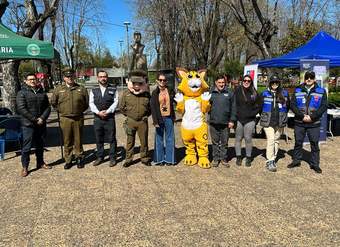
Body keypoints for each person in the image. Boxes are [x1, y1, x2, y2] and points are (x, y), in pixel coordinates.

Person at [288, 71, 327, 173]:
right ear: (304, 79)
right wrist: (302, 116)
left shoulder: (321, 91)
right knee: (298, 142)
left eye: (311, 77)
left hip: (314, 123)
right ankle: (296, 160)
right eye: (307, 77)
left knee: (314, 144)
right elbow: (292, 105)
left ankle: (315, 164)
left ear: (314, 79)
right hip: (299, 122)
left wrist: (312, 117)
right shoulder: (297, 90)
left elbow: (323, 106)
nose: (309, 79)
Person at [50, 68, 89, 169]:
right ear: (64, 78)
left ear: (74, 77)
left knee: (78, 139)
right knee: (67, 140)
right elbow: (53, 103)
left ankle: (79, 157)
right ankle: (68, 160)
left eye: (71, 76)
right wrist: (62, 111)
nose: (70, 78)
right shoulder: (58, 89)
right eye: (67, 76)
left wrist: (78, 111)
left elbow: (86, 103)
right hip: (65, 118)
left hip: (78, 117)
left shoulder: (81, 88)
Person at [16, 73, 51, 177]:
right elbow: (22, 109)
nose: (32, 81)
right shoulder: (21, 93)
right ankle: (25, 167)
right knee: (26, 147)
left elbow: (47, 107)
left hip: (41, 124)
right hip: (28, 125)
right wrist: (35, 119)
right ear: (26, 81)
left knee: (40, 145)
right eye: (30, 79)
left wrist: (42, 118)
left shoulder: (42, 92)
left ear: (37, 80)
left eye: (34, 79)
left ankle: (40, 162)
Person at [119, 70, 151, 167]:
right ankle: (128, 159)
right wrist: (129, 116)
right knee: (130, 141)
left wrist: (145, 116)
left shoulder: (146, 94)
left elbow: (150, 108)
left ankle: (144, 158)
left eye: (140, 83)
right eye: (134, 83)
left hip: (142, 121)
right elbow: (121, 107)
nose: (137, 86)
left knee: (144, 141)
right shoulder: (126, 94)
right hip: (130, 121)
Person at [259, 75, 290, 172]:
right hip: (268, 122)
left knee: (276, 140)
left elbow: (287, 106)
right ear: (270, 83)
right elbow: (260, 107)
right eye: (273, 82)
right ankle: (270, 161)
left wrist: (283, 116)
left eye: (276, 82)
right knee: (271, 140)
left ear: (279, 83)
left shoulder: (284, 93)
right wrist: (264, 115)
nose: (274, 84)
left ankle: (274, 157)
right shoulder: (264, 93)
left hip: (279, 121)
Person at [89, 70, 119, 167]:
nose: (103, 78)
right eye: (101, 76)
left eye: (104, 76)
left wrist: (108, 111)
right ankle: (100, 157)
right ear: (98, 78)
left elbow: (116, 101)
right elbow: (91, 103)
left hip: (109, 118)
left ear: (107, 77)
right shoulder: (93, 90)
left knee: (111, 138)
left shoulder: (113, 89)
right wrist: (98, 112)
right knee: (99, 138)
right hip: (98, 118)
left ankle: (112, 157)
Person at [209, 73, 236, 167]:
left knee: (224, 142)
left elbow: (234, 107)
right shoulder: (210, 93)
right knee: (215, 142)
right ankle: (216, 159)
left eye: (223, 82)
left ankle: (224, 159)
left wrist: (232, 120)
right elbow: (205, 106)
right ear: (216, 83)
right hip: (213, 122)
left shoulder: (230, 92)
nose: (221, 84)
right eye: (219, 82)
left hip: (226, 123)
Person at [234, 75, 261, 166]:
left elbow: (259, 106)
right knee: (238, 138)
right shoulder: (237, 91)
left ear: (251, 82)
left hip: (250, 120)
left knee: (248, 138)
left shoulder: (254, 92)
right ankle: (238, 157)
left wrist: (252, 114)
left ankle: (248, 157)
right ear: (242, 81)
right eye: (245, 80)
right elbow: (233, 104)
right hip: (238, 119)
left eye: (248, 81)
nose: (246, 82)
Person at [150, 73, 176, 165]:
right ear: (157, 81)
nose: (162, 82)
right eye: (160, 80)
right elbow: (153, 108)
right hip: (159, 118)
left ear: (166, 81)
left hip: (169, 117)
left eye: (164, 80)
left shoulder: (170, 91)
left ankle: (169, 159)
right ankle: (159, 159)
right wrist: (155, 121)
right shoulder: (154, 93)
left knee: (170, 139)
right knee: (159, 139)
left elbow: (176, 101)